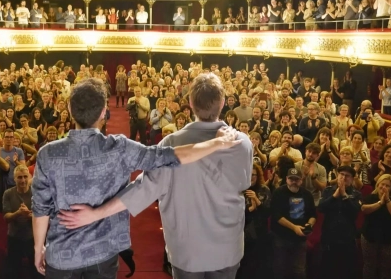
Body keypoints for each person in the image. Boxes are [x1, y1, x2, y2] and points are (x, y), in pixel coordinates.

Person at [31, 78, 241, 278]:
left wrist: (39, 248)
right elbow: (170, 157)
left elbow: (40, 208)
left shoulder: (47, 154)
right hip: (104, 252)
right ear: (104, 112)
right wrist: (216, 144)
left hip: (61, 254)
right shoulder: (119, 148)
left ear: (70, 109)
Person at [270, 168, 317, 279]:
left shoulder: (307, 194)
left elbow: (313, 215)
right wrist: (294, 227)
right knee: (280, 269)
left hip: (300, 239)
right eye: (291, 179)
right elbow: (276, 216)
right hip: (281, 237)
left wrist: (309, 225)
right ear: (286, 179)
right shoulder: (278, 193)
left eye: (297, 179)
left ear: (301, 180)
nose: (294, 182)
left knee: (299, 271)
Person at [318, 165, 362, 279]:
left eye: (347, 176)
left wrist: (344, 196)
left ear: (352, 179)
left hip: (347, 236)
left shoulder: (356, 194)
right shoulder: (328, 190)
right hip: (329, 235)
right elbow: (321, 208)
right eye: (341, 175)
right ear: (337, 176)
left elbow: (355, 212)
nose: (344, 178)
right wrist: (334, 196)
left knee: (346, 270)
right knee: (327, 269)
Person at [361, 174, 391, 279]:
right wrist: (380, 202)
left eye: (387, 186)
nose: (384, 187)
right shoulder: (371, 197)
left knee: (386, 269)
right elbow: (364, 209)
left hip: (390, 239)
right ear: (377, 185)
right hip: (369, 237)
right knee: (369, 266)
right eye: (382, 184)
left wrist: (388, 200)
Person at [3, 165, 39, 278]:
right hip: (14, 236)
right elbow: (6, 217)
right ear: (14, 179)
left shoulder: (36, 193)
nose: (23, 180)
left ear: (29, 177)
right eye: (19, 177)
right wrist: (18, 213)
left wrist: (28, 214)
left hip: (34, 237)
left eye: (25, 177)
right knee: (14, 270)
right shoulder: (8, 193)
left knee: (36, 270)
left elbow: (43, 217)